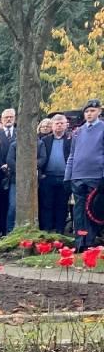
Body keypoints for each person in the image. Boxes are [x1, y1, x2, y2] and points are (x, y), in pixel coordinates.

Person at [66, 99, 103, 252]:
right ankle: (80, 240)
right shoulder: (78, 131)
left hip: (96, 176)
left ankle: (90, 240)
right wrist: (68, 175)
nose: (89, 114)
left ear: (99, 112)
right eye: (87, 111)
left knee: (92, 210)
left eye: (92, 111)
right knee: (79, 210)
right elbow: (72, 155)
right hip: (77, 176)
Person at [36, 114, 72, 234]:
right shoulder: (45, 140)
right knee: (47, 204)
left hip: (64, 177)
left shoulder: (70, 139)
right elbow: (39, 158)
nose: (59, 126)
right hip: (48, 177)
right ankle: (46, 229)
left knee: (62, 205)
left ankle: (60, 229)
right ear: (52, 125)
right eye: (57, 123)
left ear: (66, 124)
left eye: (62, 123)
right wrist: (41, 175)